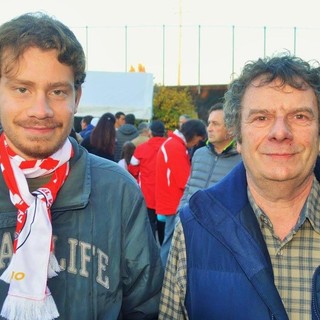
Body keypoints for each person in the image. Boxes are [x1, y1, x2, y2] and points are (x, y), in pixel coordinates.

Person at [0, 12, 163, 320]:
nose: (41, 109)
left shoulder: (119, 192)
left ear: (77, 97)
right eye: (22, 89)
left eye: (57, 91)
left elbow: (146, 307)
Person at [159, 54, 320, 319]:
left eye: (300, 116)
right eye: (261, 118)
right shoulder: (192, 230)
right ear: (239, 138)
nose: (280, 132)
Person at [155, 119, 207, 267]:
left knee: (169, 240)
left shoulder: (172, 143)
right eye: (198, 140)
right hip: (173, 201)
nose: (197, 144)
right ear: (194, 134)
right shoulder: (175, 147)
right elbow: (184, 180)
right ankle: (163, 276)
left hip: (169, 199)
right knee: (170, 242)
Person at [177, 102, 242, 211]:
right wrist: (180, 214)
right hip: (189, 222)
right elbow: (189, 187)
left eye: (215, 124)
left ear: (231, 128)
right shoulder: (199, 154)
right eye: (209, 123)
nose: (209, 128)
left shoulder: (242, 160)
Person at [128, 120, 167, 244]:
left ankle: (151, 252)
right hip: (165, 194)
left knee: (149, 224)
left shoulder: (141, 149)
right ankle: (164, 252)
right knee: (163, 226)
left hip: (147, 193)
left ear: (150, 132)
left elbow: (132, 169)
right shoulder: (169, 147)